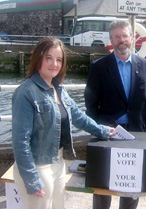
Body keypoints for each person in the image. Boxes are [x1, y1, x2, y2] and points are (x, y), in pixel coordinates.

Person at [12, 37, 114, 209]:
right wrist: (31, 178)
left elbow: (79, 118)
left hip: (58, 162)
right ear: (38, 58)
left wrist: (103, 131)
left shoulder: (59, 89)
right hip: (38, 166)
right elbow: (20, 141)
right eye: (49, 58)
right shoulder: (26, 93)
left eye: (59, 59)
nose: (54, 64)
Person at [84, 20, 146, 209]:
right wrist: (96, 132)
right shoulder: (98, 67)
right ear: (111, 40)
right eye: (117, 37)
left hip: (137, 134)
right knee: (102, 185)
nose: (122, 40)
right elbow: (91, 105)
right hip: (107, 134)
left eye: (125, 36)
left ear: (132, 38)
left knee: (132, 186)